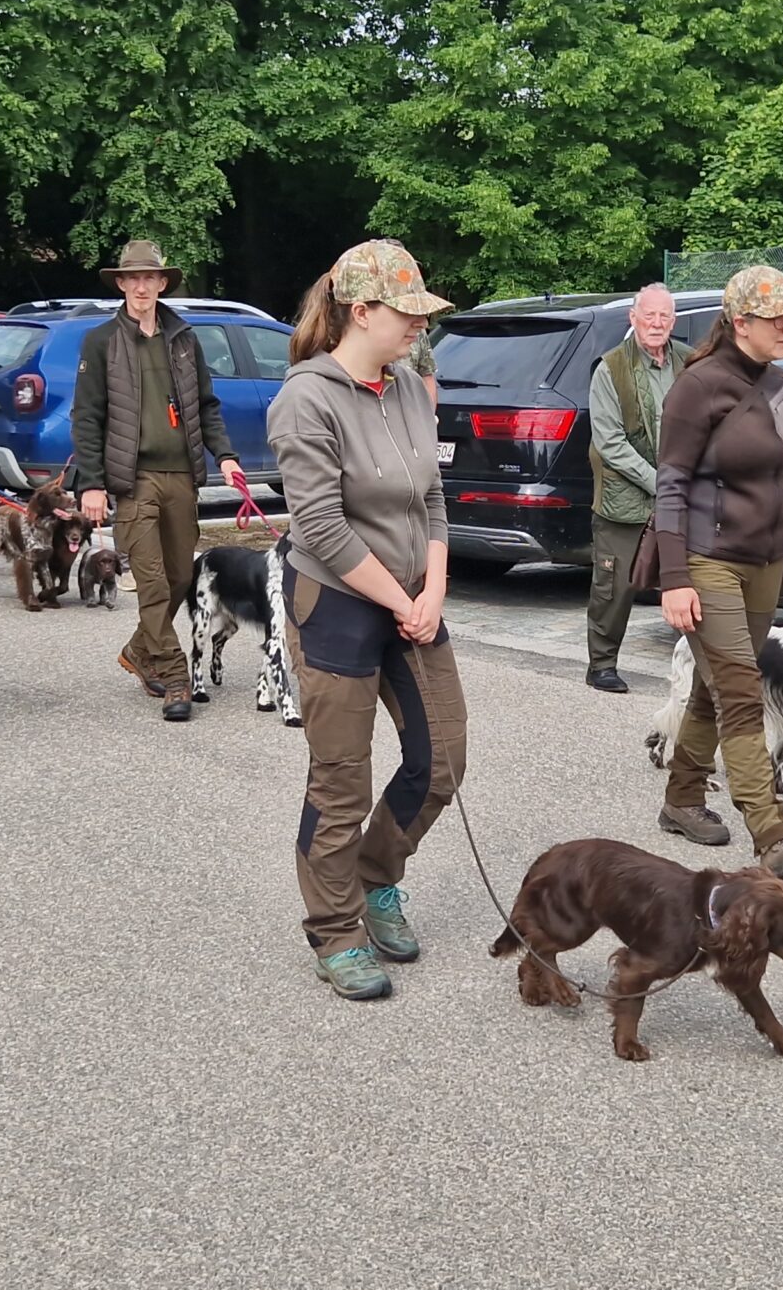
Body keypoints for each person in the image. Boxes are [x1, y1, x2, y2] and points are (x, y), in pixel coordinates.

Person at [266, 239, 466, 1002]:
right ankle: (335, 929)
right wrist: (398, 598)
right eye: (406, 311)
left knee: (442, 761)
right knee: (340, 781)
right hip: (340, 604)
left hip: (415, 599)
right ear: (362, 311)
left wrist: (435, 589)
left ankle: (377, 877)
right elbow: (319, 524)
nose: (419, 323)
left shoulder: (413, 385)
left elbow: (432, 499)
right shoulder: (306, 398)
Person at [650, 265, 783, 881]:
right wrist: (674, 578)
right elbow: (670, 485)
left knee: (714, 685)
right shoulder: (698, 387)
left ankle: (680, 799)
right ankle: (771, 831)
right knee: (740, 692)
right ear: (740, 322)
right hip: (707, 558)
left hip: (765, 562)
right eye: (776, 316)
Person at [68, 240, 243, 722]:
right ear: (120, 284)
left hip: (181, 475)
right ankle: (175, 677)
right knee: (151, 582)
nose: (142, 285)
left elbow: (206, 406)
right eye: (133, 278)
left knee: (180, 576)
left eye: (151, 277)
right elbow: (86, 417)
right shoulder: (101, 341)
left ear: (163, 282)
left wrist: (225, 455)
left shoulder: (184, 338)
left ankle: (139, 649)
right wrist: (91, 483)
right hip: (132, 480)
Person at [583, 284, 688, 693]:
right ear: (633, 318)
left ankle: (702, 665)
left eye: (665, 316)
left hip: (681, 494)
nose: (657, 323)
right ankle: (602, 664)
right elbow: (609, 443)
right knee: (615, 585)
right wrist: (659, 483)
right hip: (625, 498)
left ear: (673, 321)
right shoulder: (610, 368)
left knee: (694, 577)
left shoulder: (689, 361)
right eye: (650, 315)